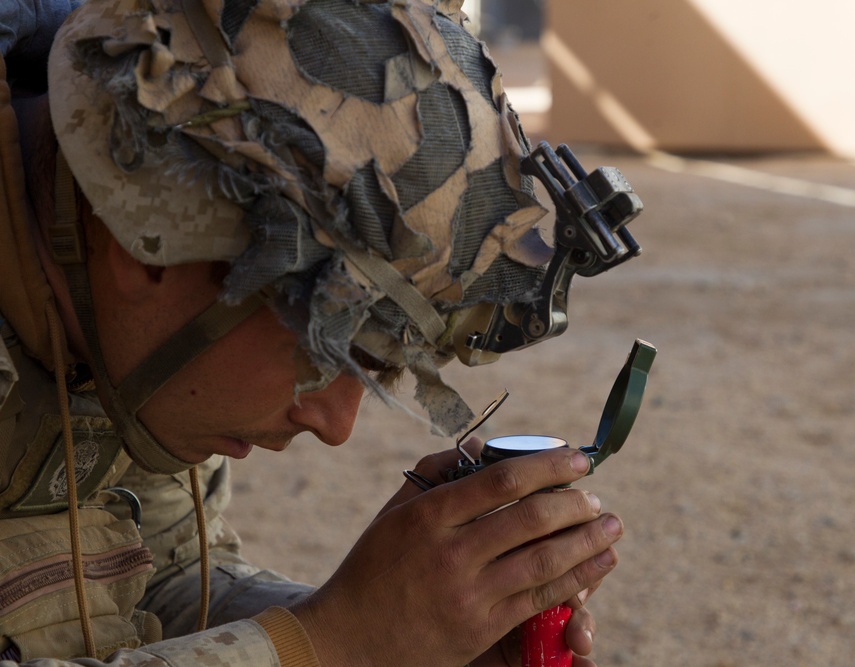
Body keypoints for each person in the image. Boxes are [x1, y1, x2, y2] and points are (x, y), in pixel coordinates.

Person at [0, 0, 629, 664]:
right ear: (147, 245)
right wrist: (337, 642)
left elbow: (160, 580)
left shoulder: (125, 336)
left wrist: (410, 627)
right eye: (324, 349)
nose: (335, 423)